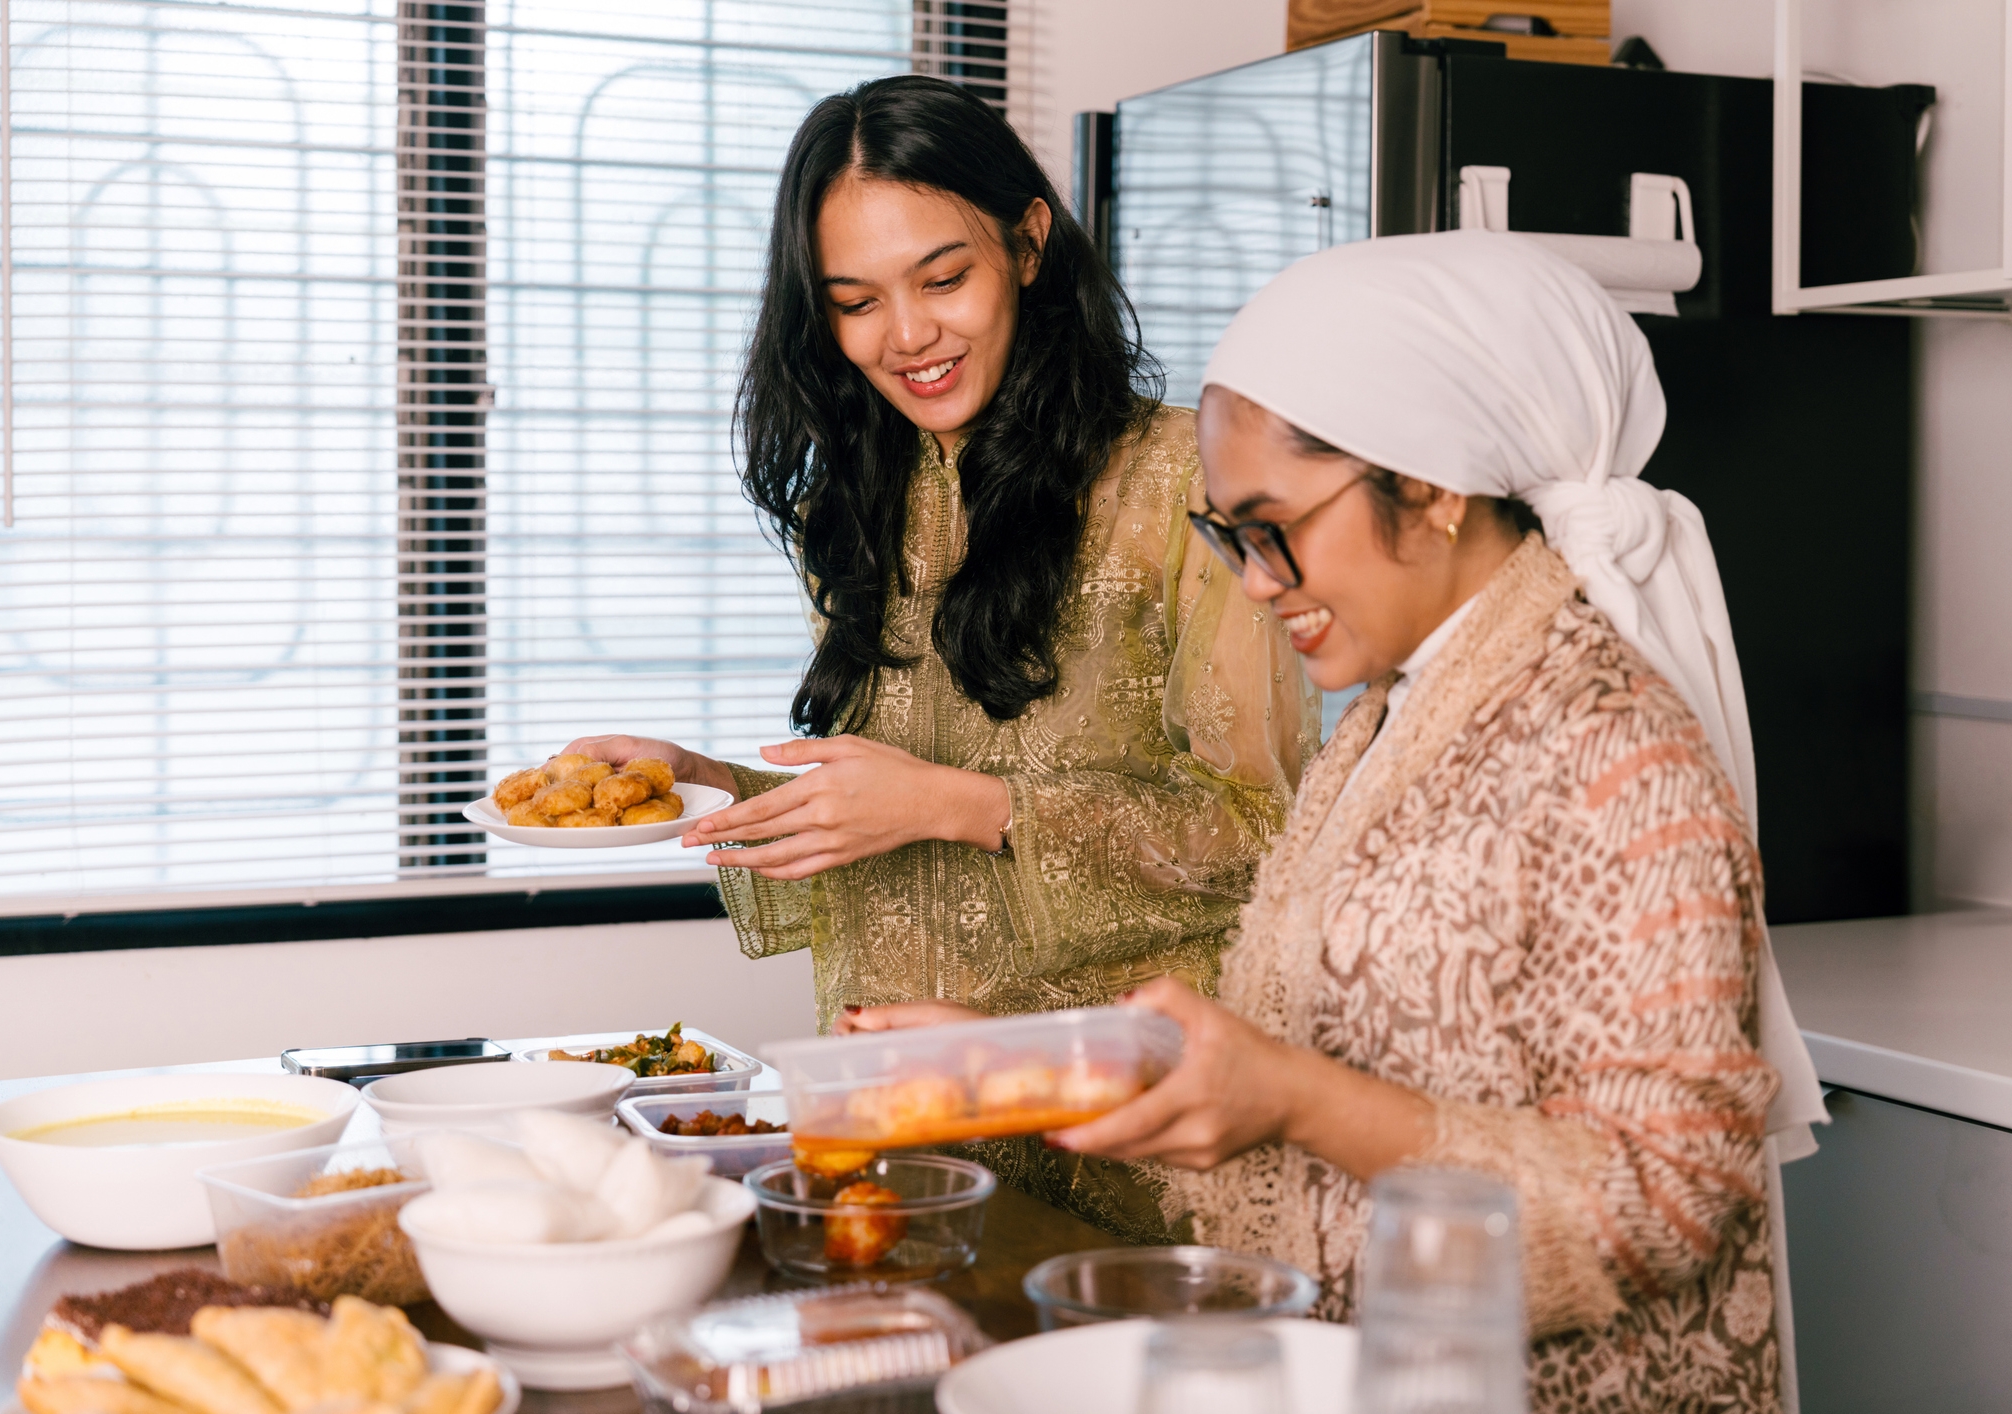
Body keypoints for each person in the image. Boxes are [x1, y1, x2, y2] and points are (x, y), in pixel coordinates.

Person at [843, 231, 1826, 1412]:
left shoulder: (1615, 750)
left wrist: (1294, 1099)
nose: (1256, 580)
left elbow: (1665, 1195)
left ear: (1432, 484)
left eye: (1274, 526)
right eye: (1229, 534)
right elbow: (1318, 1044)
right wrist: (1034, 1067)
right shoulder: (1387, 719)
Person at [563, 76, 1314, 1237]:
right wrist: (707, 782)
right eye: (856, 301)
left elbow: (1268, 836)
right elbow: (892, 808)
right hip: (907, 1130)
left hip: (1129, 1149)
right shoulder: (860, 501)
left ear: (1027, 241)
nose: (905, 335)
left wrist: (963, 805)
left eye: (944, 278)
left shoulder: (1182, 484)